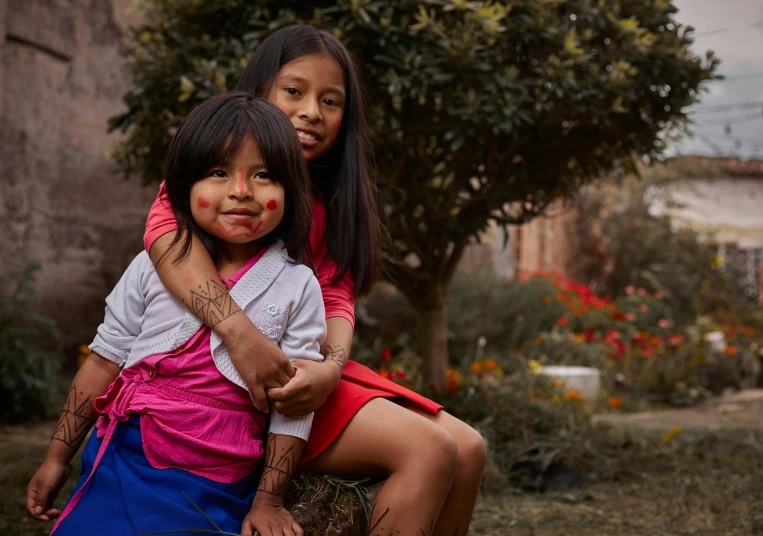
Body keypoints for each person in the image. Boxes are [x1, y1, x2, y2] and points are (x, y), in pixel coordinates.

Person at [144, 25, 487, 535]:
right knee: (429, 449)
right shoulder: (208, 173)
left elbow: (336, 295)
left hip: (302, 369)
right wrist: (242, 335)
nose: (311, 111)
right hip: (222, 376)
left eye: (331, 100)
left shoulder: (326, 202)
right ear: (258, 91)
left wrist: (330, 369)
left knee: (471, 448)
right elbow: (168, 247)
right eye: (294, 91)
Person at [26, 92, 324, 536]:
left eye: (263, 175)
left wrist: (268, 501)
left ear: (290, 190)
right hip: (123, 462)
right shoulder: (151, 266)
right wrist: (56, 457)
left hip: (219, 483)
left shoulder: (298, 285)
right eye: (219, 172)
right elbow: (105, 359)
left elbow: (292, 407)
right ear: (183, 184)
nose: (241, 191)